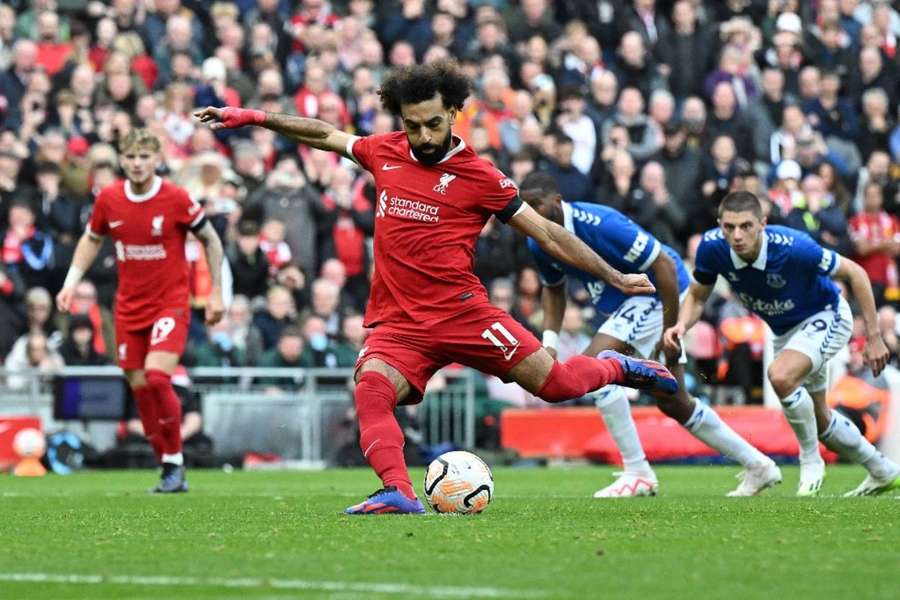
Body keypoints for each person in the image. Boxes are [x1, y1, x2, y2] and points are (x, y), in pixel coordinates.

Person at [196, 59, 677, 515]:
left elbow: (549, 234)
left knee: (558, 385)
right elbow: (322, 132)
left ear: (453, 112)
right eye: (412, 125)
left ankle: (619, 367)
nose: (423, 136)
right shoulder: (383, 152)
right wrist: (251, 116)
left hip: (465, 313)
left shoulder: (482, 177)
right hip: (401, 323)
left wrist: (613, 276)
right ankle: (397, 491)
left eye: (432, 123)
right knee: (371, 386)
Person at [520, 172, 778, 497]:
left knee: (592, 365)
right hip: (631, 305)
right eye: (524, 206)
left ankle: (637, 472)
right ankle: (759, 466)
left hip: (661, 294)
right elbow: (554, 290)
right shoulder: (538, 240)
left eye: (535, 205)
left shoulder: (600, 224)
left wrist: (672, 328)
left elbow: (666, 266)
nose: (528, 213)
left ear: (556, 203)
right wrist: (550, 343)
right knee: (675, 402)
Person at [664, 191, 900, 497]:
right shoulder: (712, 249)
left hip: (826, 314)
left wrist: (874, 337)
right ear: (720, 225)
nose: (737, 235)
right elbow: (697, 295)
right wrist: (682, 324)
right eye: (730, 227)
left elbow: (856, 272)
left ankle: (810, 460)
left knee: (780, 375)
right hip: (785, 330)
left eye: (746, 226)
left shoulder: (794, 247)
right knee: (821, 419)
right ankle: (883, 471)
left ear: (763, 223)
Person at [55, 129, 225, 494]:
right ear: (122, 159)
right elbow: (92, 238)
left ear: (157, 159)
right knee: (140, 389)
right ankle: (166, 464)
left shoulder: (176, 198)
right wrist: (71, 282)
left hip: (170, 304)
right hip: (128, 308)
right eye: (131, 157)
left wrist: (216, 294)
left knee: (158, 378)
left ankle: (175, 461)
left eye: (144, 157)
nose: (137, 163)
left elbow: (210, 238)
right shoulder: (110, 199)